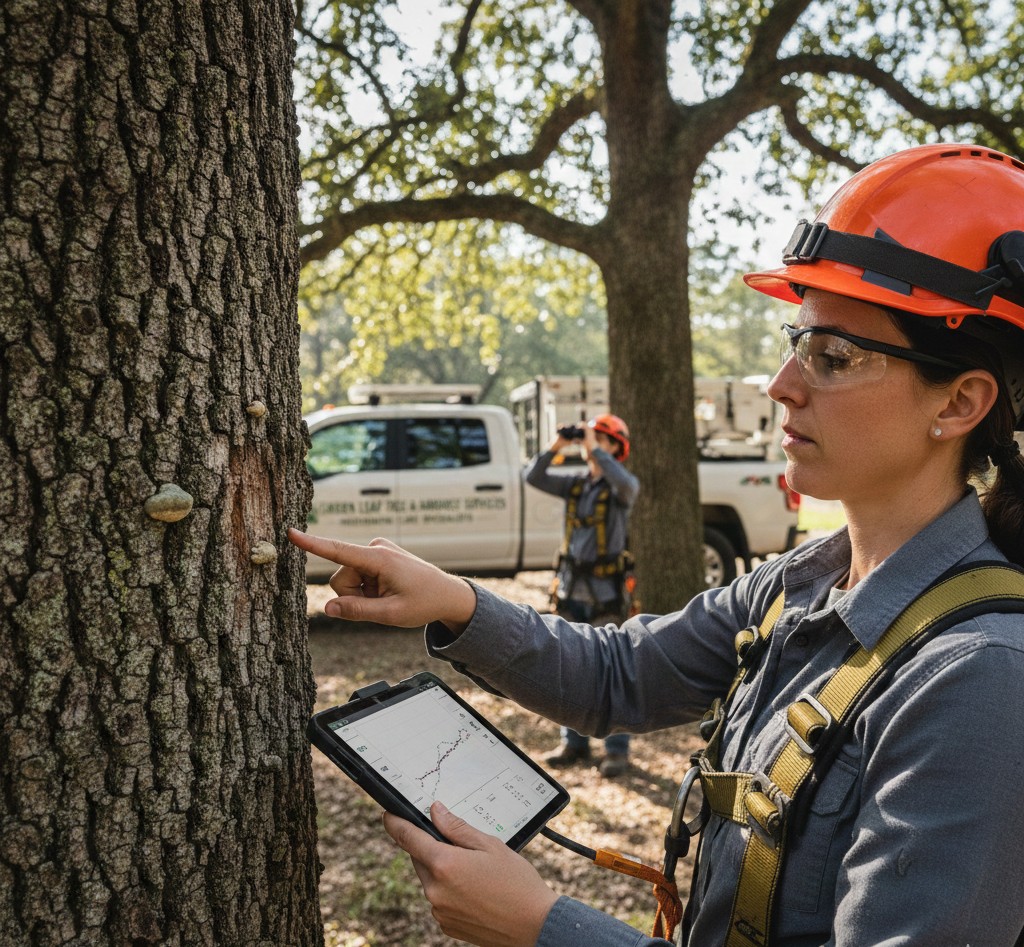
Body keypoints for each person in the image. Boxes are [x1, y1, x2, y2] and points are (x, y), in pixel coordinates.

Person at [289, 143, 1024, 947]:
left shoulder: (979, 679)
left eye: (833, 356)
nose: (781, 383)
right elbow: (621, 676)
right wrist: (455, 602)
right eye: (795, 339)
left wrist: (544, 927)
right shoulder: (795, 584)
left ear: (959, 402)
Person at [524, 413, 639, 777]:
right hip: (570, 590)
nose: (594, 447)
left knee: (611, 671)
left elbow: (627, 483)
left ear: (615, 449)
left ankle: (616, 750)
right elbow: (534, 476)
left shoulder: (620, 488)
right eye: (593, 439)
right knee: (568, 669)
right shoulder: (575, 484)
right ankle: (573, 743)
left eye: (603, 441)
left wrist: (592, 446)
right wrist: (557, 446)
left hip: (606, 596)